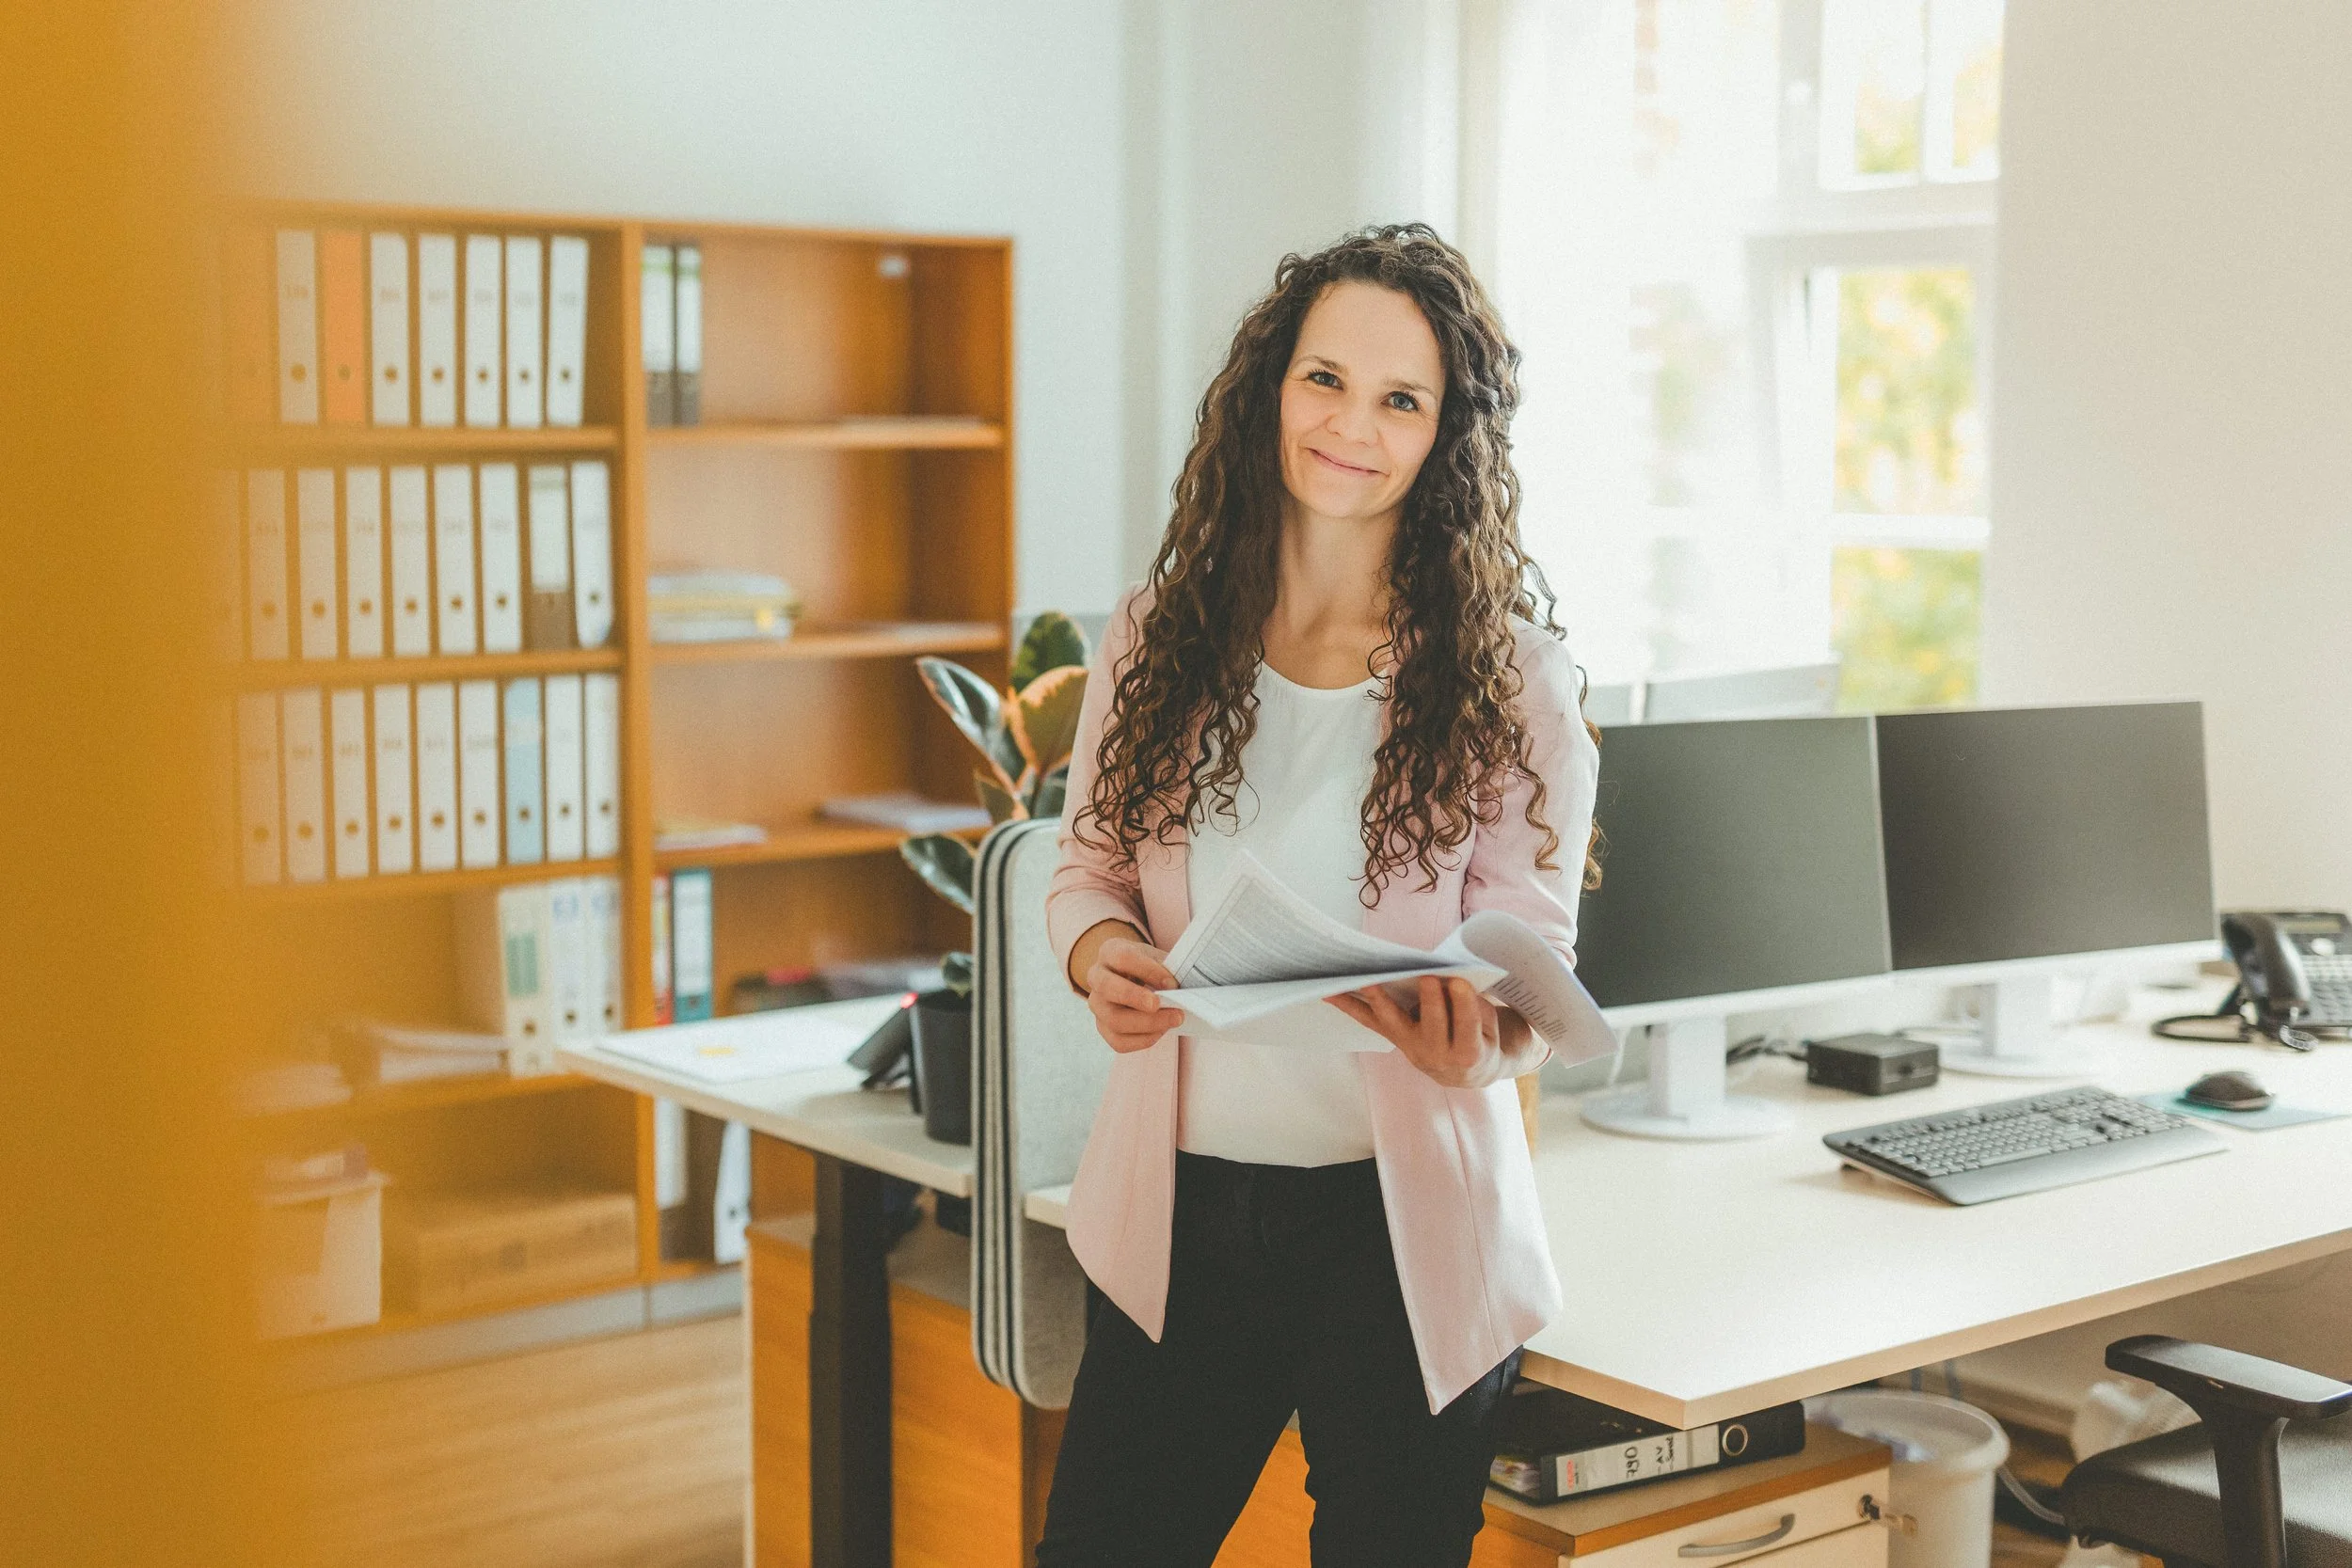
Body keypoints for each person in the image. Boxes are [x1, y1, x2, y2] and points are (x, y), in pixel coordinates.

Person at [1032, 224, 1603, 1567]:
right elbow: (1086, 869)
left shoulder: (1516, 681)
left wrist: (1491, 1032)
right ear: (1268, 390)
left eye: (1401, 399)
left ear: (1445, 437)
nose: (1353, 425)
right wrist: (1100, 953)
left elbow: (1533, 961)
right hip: (1184, 1217)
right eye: (1325, 379)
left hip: (1400, 1242)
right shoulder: (1156, 633)